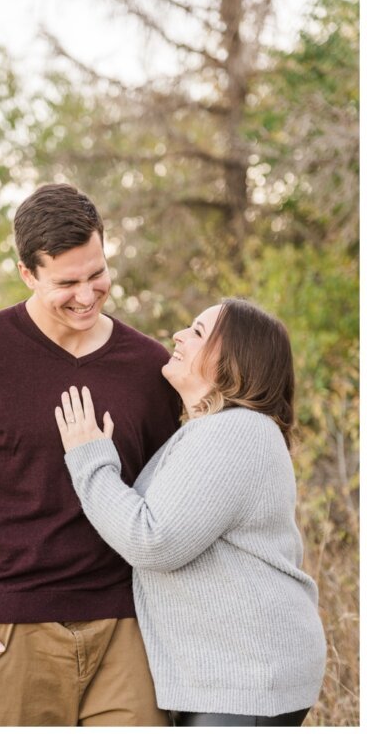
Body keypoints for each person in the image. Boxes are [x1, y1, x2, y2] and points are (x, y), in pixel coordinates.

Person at [0, 183, 181, 725]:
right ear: (26, 272)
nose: (87, 295)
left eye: (96, 274)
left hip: (130, 630)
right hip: (13, 634)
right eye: (66, 282)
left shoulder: (148, 366)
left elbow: (173, 501)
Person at [55, 299, 326, 726]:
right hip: (239, 678)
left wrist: (90, 460)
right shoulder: (212, 430)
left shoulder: (236, 430)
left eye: (197, 333)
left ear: (234, 361)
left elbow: (153, 539)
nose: (178, 337)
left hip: (246, 680)